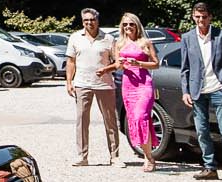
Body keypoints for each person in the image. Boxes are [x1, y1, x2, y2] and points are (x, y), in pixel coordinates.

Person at [178, 0, 222, 182]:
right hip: (197, 90)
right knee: (202, 130)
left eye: (204, 17)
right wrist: (185, 91)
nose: (201, 20)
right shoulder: (187, 38)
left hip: (219, 88)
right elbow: (185, 68)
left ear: (211, 17)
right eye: (197, 17)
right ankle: (209, 167)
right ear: (193, 17)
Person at [65, 9, 122, 167]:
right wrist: (69, 82)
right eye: (86, 20)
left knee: (110, 120)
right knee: (82, 120)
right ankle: (82, 156)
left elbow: (118, 63)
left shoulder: (108, 39)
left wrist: (106, 69)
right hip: (82, 84)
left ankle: (114, 156)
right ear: (82, 21)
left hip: (105, 85)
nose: (89, 23)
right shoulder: (75, 37)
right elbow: (71, 62)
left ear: (98, 20)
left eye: (92, 20)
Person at [112, 15, 160, 171]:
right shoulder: (119, 44)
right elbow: (118, 65)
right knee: (134, 119)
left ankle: (149, 157)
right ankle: (148, 156)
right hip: (128, 85)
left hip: (144, 84)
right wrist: (120, 65)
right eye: (125, 24)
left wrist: (139, 63)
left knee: (141, 116)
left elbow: (156, 64)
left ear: (137, 25)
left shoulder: (145, 42)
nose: (128, 27)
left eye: (131, 24)